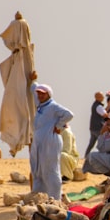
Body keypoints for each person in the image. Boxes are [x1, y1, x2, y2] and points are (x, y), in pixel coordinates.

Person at [28, 71, 72, 200]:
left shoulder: (53, 106)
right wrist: (33, 81)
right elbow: (33, 91)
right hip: (38, 142)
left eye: (43, 93)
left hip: (50, 142)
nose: (40, 95)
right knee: (37, 168)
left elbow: (69, 115)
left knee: (51, 170)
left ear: (49, 94)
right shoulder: (40, 106)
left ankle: (55, 198)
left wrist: (58, 126)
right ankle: (39, 195)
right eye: (39, 93)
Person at [85, 91, 107, 157]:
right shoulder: (98, 106)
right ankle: (101, 156)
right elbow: (105, 115)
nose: (103, 97)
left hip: (93, 127)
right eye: (101, 96)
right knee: (102, 142)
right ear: (98, 97)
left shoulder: (95, 105)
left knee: (91, 143)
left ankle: (86, 156)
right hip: (98, 128)